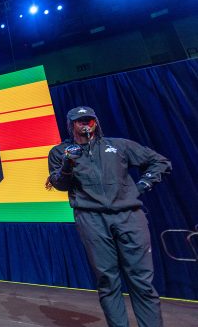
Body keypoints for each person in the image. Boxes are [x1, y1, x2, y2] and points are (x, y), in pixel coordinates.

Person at [47, 106, 171, 327]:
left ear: (96, 122)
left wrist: (143, 185)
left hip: (129, 215)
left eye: (89, 119)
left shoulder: (118, 145)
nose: (85, 124)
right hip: (91, 219)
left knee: (141, 281)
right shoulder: (60, 152)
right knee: (108, 281)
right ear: (71, 125)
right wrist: (67, 165)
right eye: (80, 120)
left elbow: (160, 162)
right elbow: (58, 184)